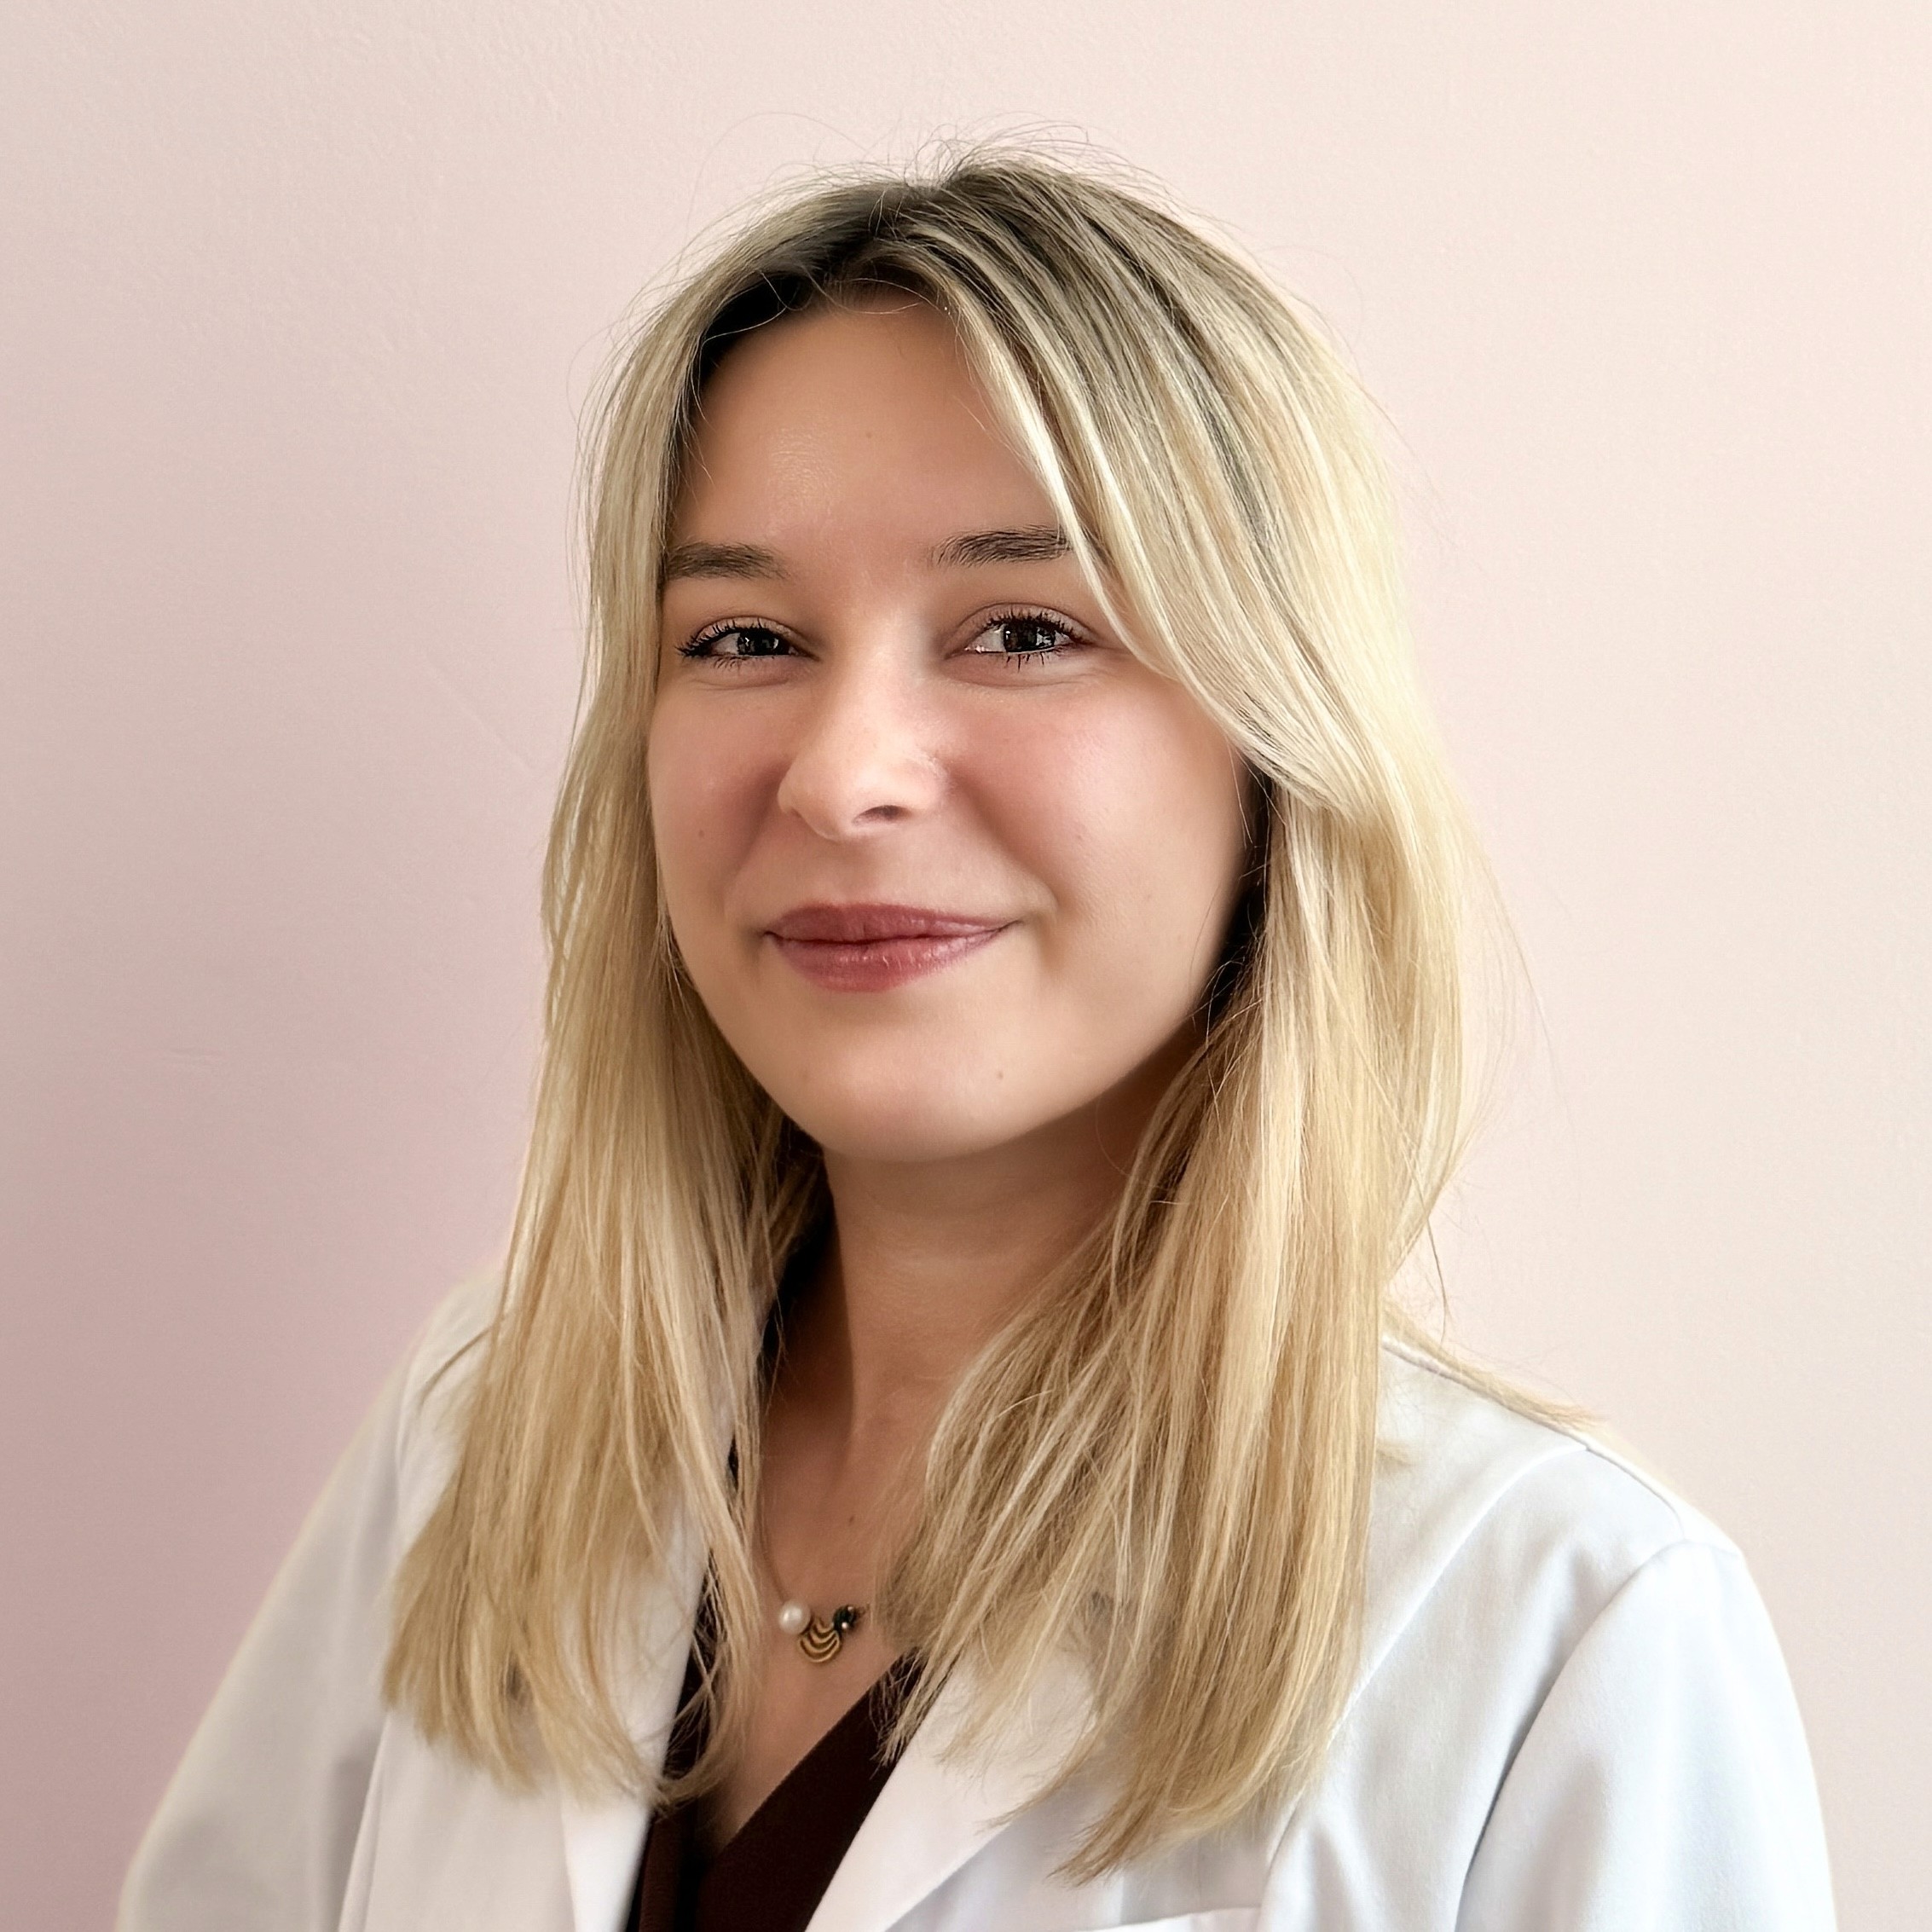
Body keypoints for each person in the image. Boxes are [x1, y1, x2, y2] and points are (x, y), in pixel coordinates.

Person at [119, 148, 1837, 1932]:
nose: (843, 768)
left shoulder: (1558, 1627)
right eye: (745, 634)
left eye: (1021, 628)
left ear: (1271, 753)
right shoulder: (486, 1428)